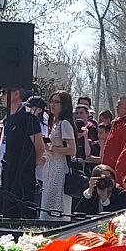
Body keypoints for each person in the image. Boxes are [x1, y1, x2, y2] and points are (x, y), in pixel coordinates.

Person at [0, 87, 41, 218]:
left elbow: (40, 148)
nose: (1, 96)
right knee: (7, 209)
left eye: (4, 92)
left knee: (24, 211)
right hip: (8, 170)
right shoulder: (7, 118)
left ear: (16, 94)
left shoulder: (29, 118)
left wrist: (31, 167)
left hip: (24, 175)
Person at [37, 90, 75, 221]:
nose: (53, 105)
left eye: (57, 102)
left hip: (60, 168)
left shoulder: (65, 124)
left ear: (64, 105)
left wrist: (53, 148)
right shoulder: (53, 123)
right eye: (51, 101)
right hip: (49, 166)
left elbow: (71, 149)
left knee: (55, 204)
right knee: (46, 203)